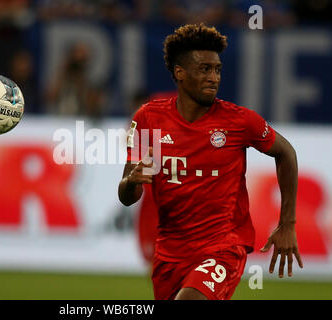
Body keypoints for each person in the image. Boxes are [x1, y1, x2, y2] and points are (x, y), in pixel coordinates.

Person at [117, 23, 303, 300]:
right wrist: (131, 181)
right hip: (170, 252)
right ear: (179, 73)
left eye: (217, 69)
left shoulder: (239, 121)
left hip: (223, 246)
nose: (213, 77)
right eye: (204, 69)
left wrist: (287, 223)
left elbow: (286, 152)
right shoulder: (147, 118)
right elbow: (127, 196)